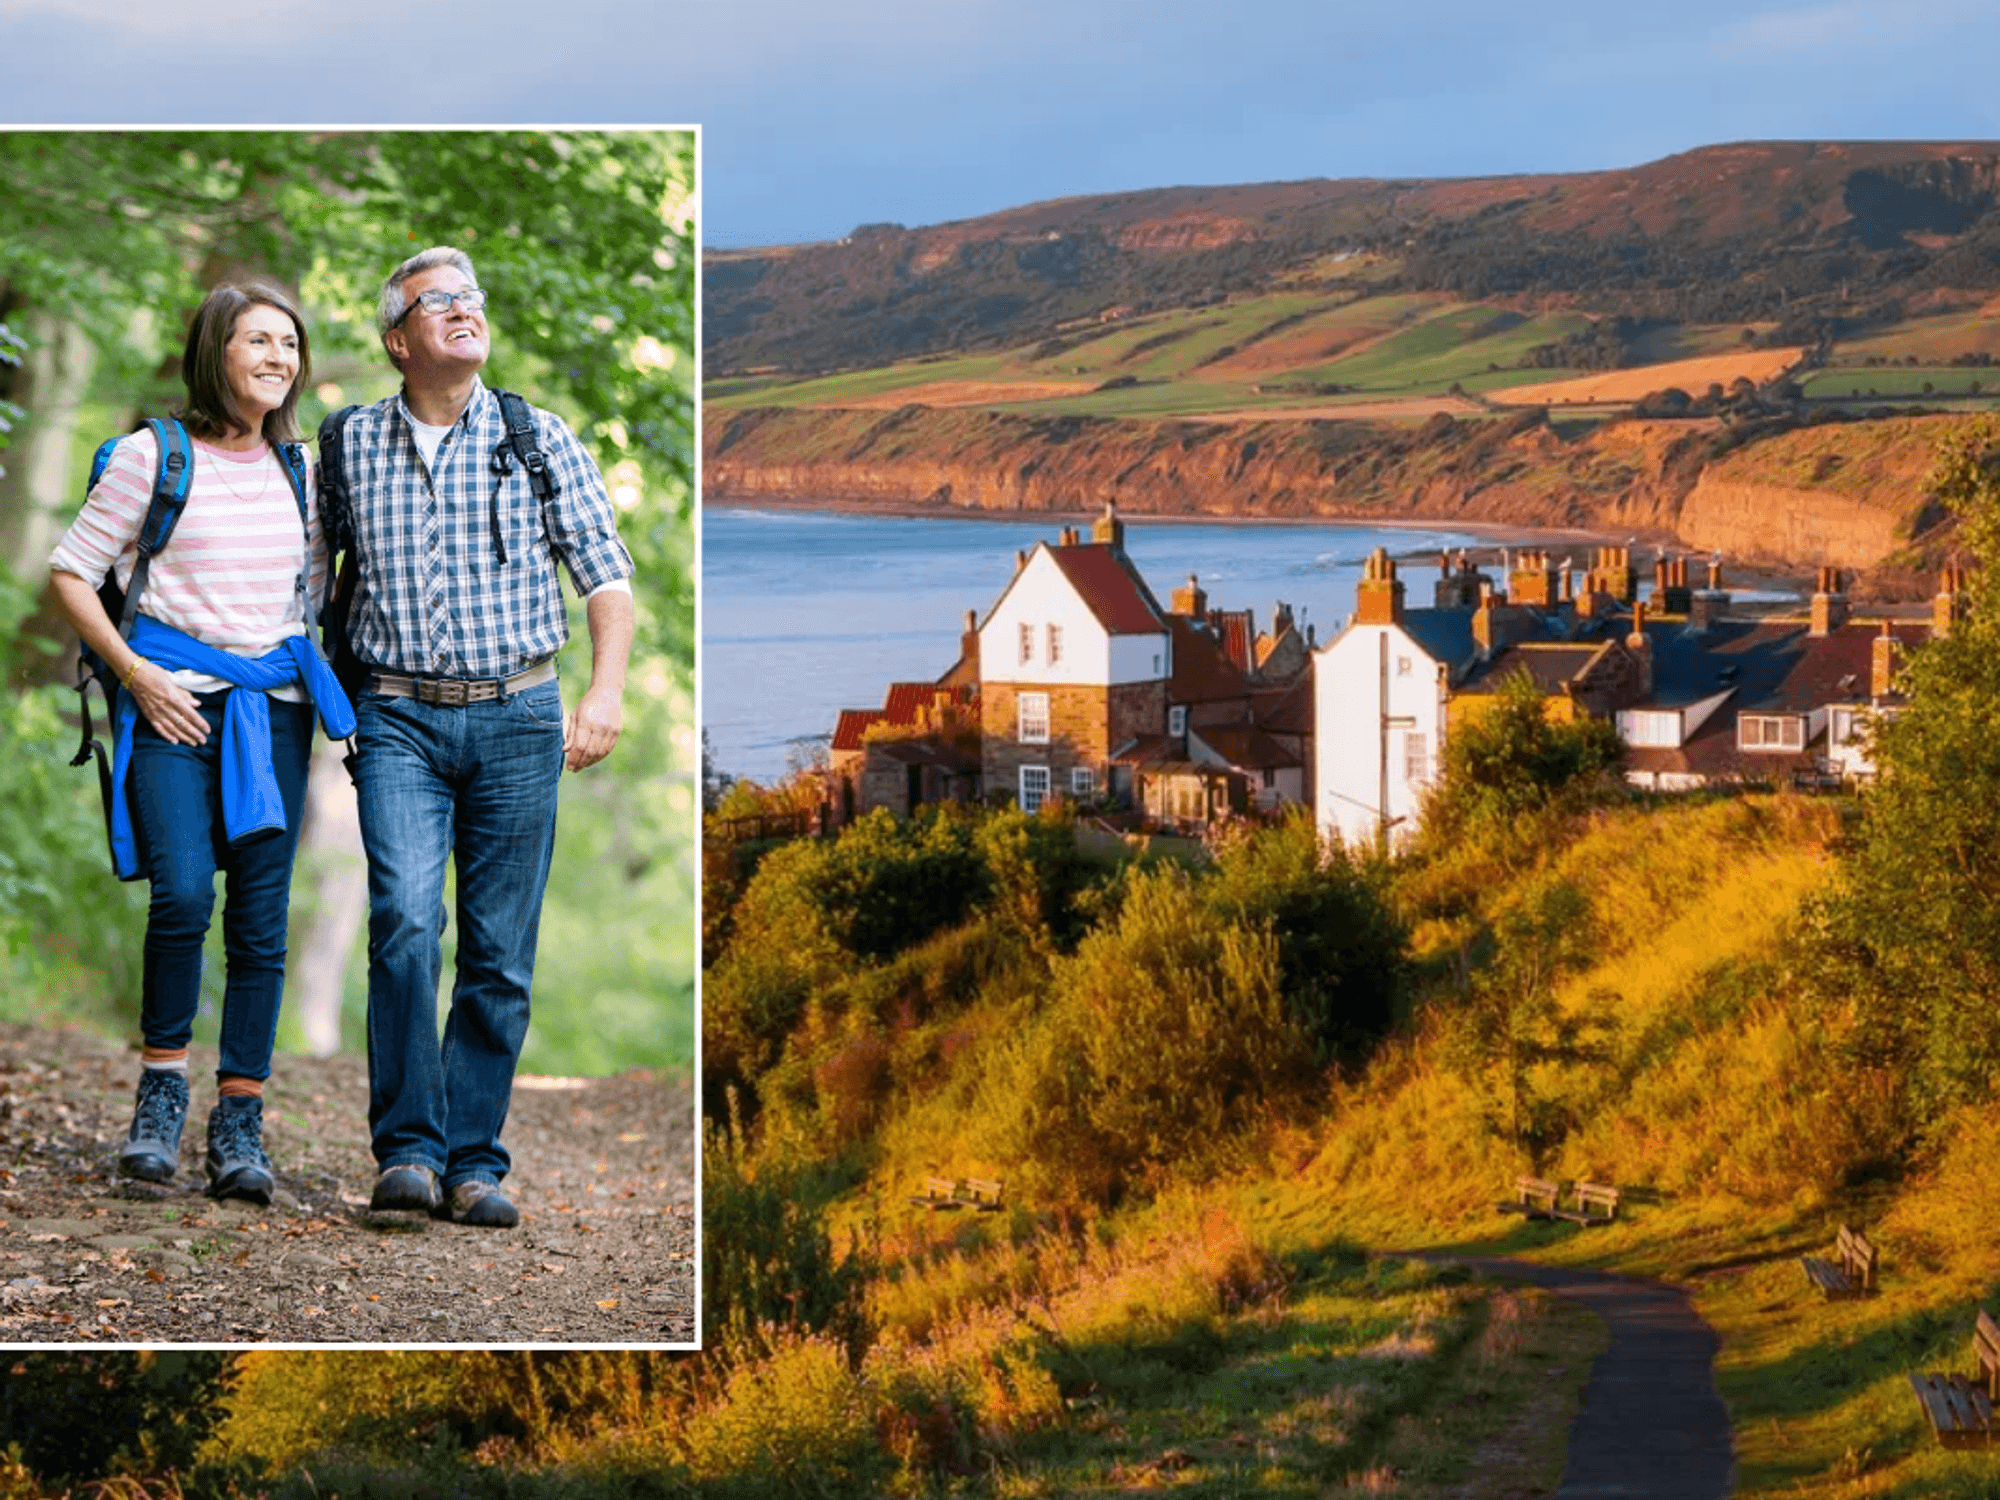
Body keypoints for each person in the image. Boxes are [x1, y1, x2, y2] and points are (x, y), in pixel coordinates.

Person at [327, 246, 634, 1229]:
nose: (463, 310)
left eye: (471, 295)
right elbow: (301, 583)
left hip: (519, 718)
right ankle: (408, 1153)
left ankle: (474, 1163)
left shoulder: (538, 437)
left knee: (498, 955)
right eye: (437, 301)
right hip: (396, 718)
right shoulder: (345, 445)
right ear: (397, 340)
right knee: (407, 925)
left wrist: (606, 694)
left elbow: (606, 575)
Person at [49, 283, 353, 1204]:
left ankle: (240, 1122)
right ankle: (160, 1094)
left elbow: (311, 597)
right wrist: (135, 675)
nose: (279, 357)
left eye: (290, 345)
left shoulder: (301, 469)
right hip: (171, 700)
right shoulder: (154, 457)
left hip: (275, 712)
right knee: (183, 891)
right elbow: (71, 570)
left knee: (260, 925)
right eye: (259, 340)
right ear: (216, 349)